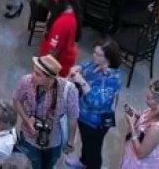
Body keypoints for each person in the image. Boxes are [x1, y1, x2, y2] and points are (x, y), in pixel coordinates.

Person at [14, 54, 79, 168]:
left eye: (38, 74)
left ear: (50, 78)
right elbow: (16, 100)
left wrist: (70, 142)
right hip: (29, 138)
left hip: (54, 140)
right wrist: (26, 120)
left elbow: (73, 117)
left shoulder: (68, 90)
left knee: (49, 165)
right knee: (33, 165)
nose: (32, 76)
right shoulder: (26, 81)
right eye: (33, 71)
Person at [66, 39, 122, 169]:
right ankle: (83, 161)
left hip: (95, 122)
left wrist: (81, 81)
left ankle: (90, 165)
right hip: (83, 114)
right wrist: (77, 68)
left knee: (93, 151)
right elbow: (86, 65)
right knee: (86, 143)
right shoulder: (96, 64)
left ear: (108, 58)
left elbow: (96, 102)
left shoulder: (112, 79)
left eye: (98, 54)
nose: (94, 56)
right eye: (94, 52)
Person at [40, 0, 81, 77]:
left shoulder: (62, 23)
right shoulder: (74, 12)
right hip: (65, 59)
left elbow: (53, 51)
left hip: (57, 63)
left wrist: (45, 69)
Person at [120, 80, 159, 166]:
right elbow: (145, 124)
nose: (145, 100)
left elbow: (141, 154)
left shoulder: (155, 130)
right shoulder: (153, 109)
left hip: (139, 163)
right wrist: (138, 116)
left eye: (149, 98)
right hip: (133, 148)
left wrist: (131, 124)